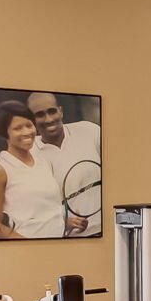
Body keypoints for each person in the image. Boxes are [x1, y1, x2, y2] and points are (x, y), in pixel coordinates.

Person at [0, 100, 65, 239]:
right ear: (5, 133)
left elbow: (42, 213)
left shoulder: (43, 160)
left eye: (29, 125)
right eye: (18, 128)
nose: (27, 132)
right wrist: (30, 247)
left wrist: (67, 223)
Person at [28, 90, 102, 236]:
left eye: (52, 111)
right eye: (40, 114)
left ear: (60, 112)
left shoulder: (89, 130)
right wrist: (62, 222)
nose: (48, 119)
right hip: (69, 239)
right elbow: (29, 211)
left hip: (107, 231)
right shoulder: (27, 155)